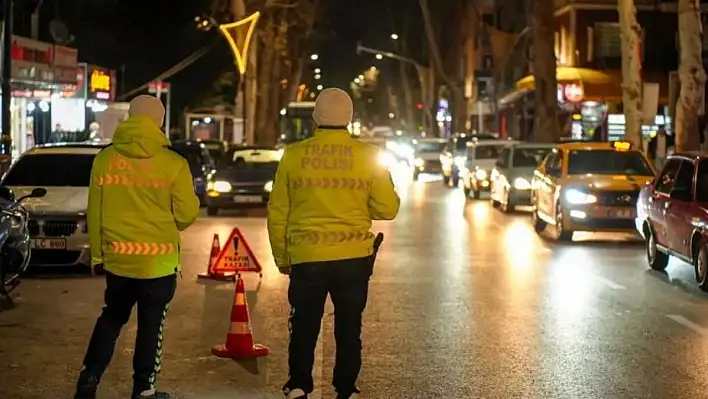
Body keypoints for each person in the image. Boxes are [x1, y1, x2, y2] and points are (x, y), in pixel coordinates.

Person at [267, 88, 401, 399]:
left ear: (316, 117)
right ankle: (346, 387)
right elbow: (388, 209)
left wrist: (282, 257)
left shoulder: (294, 155)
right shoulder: (368, 156)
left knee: (303, 325)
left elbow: (278, 211)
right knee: (349, 327)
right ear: (350, 117)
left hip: (307, 257)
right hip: (353, 257)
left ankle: (299, 384)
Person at [74, 95, 200, 399]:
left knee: (112, 317)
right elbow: (186, 215)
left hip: (119, 260)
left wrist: (99, 253)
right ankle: (144, 389)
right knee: (150, 326)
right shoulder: (174, 163)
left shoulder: (105, 159)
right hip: (158, 264)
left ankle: (89, 378)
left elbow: (95, 211)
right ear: (159, 121)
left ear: (131, 117)